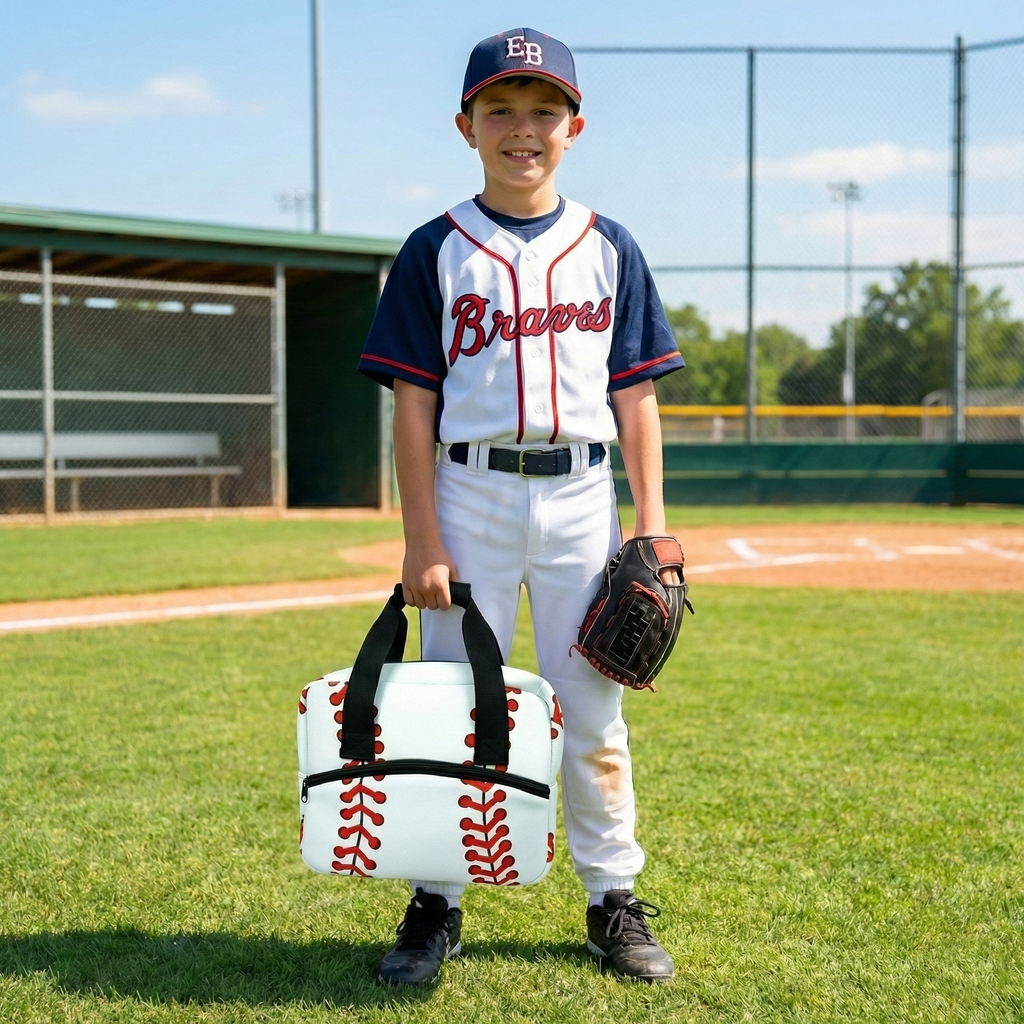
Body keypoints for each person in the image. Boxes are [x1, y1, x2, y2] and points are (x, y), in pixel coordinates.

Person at [358, 27, 684, 986]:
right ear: (466, 125)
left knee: (592, 712)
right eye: (501, 108)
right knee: (459, 710)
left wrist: (652, 521)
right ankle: (436, 901)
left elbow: (637, 398)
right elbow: (413, 407)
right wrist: (422, 537)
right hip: (469, 495)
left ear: (575, 126)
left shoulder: (609, 247)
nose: (522, 128)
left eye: (544, 109)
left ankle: (612, 899)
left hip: (585, 496)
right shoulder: (434, 250)